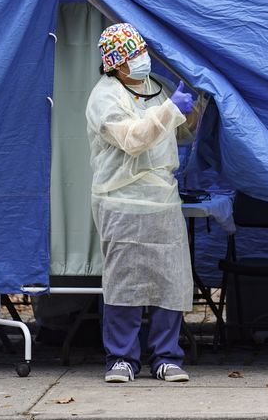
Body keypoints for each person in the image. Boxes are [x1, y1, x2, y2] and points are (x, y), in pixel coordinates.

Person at [86, 22, 199, 383]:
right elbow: (133, 139)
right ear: (116, 65)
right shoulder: (104, 96)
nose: (142, 59)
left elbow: (182, 131)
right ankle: (121, 358)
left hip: (162, 199)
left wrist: (195, 106)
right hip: (119, 200)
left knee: (170, 278)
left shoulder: (157, 88)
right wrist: (169, 111)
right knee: (124, 280)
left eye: (142, 51)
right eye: (133, 55)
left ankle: (166, 356)